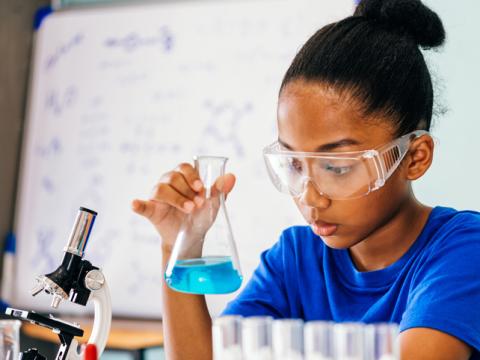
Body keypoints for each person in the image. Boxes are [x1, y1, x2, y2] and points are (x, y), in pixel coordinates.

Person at [131, 0, 480, 358]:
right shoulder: (296, 259)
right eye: (294, 165)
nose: (311, 198)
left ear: (414, 157)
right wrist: (179, 248)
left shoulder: (464, 250)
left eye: (337, 167)